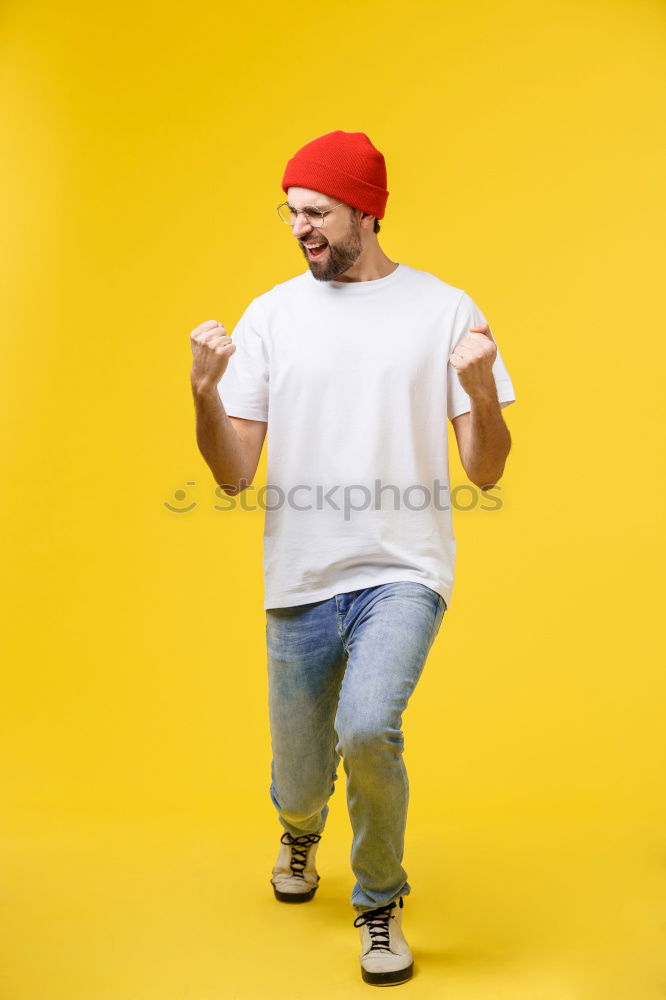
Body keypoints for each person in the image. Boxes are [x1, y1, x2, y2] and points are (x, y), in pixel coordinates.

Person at [189, 130, 516, 987]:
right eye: (291, 211)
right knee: (300, 778)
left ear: (365, 211)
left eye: (317, 211)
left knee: (370, 725)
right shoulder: (272, 315)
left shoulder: (443, 308)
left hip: (404, 569)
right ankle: (300, 828)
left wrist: (480, 388)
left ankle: (379, 903)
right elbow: (232, 474)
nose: (300, 227)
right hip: (301, 575)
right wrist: (200, 395)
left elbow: (484, 468)